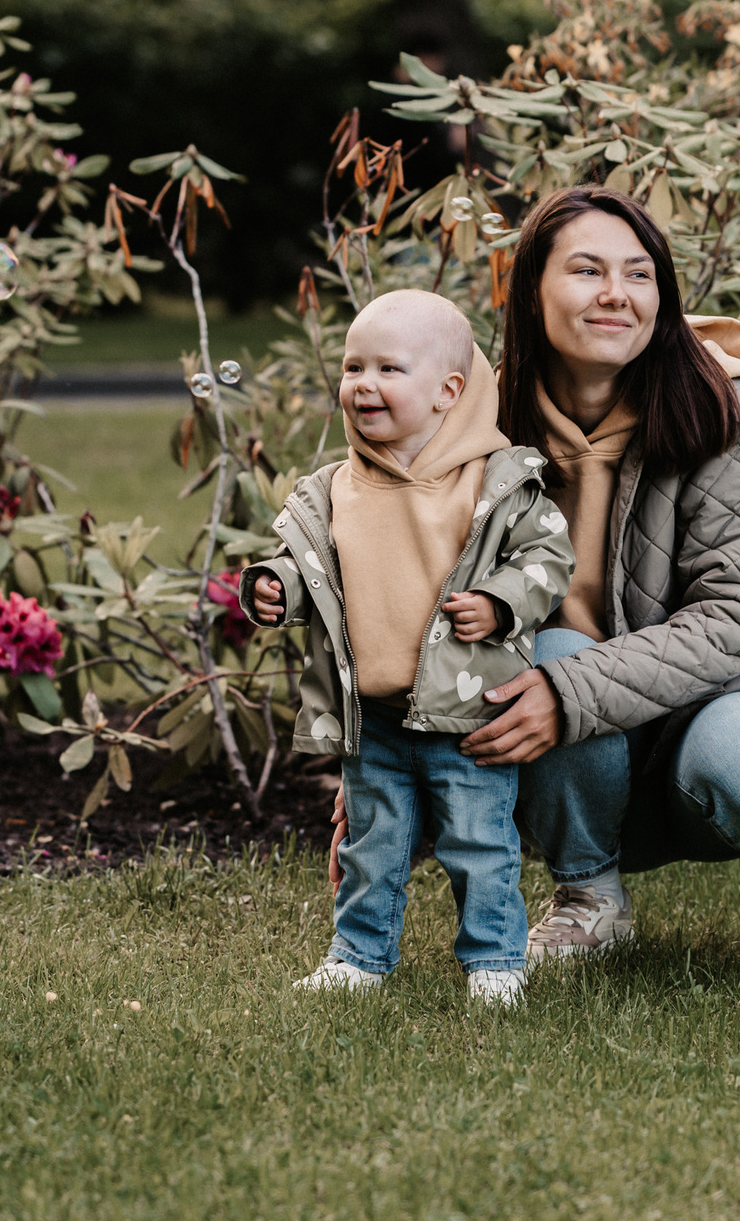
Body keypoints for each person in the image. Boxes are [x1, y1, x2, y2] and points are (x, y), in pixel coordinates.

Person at [455, 186, 740, 972]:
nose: (617, 293)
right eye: (587, 270)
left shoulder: (719, 404)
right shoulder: (483, 423)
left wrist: (571, 690)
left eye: (639, 274)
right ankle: (589, 895)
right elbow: (431, 602)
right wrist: (370, 769)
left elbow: (737, 616)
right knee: (541, 651)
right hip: (578, 757)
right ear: (531, 291)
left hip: (717, 716)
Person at [243, 289, 574, 1006]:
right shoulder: (335, 488)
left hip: (467, 712)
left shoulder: (493, 480)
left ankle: (495, 960)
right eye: (352, 367)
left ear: (447, 392)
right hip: (375, 717)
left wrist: (500, 602)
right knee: (373, 843)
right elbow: (312, 567)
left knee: (479, 844)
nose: (363, 383)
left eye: (388, 369)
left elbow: (548, 559)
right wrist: (277, 585)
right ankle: (359, 956)